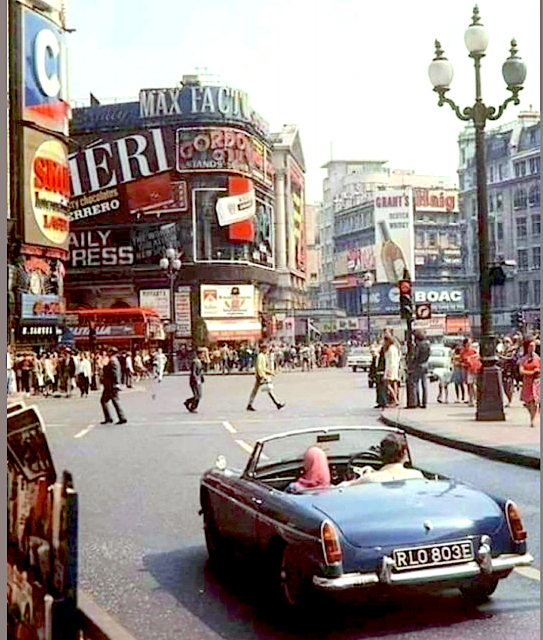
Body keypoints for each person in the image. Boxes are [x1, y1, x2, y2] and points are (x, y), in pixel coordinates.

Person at [344, 433, 424, 485]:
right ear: (405, 455)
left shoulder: (370, 479)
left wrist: (357, 478)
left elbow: (341, 488)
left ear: (381, 454)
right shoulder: (416, 476)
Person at [246, 343, 285, 411]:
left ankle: (250, 404)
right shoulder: (260, 356)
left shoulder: (263, 356)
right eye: (266, 348)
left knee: (259, 391)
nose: (267, 350)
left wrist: (270, 372)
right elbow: (260, 367)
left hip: (262, 375)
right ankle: (277, 403)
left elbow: (263, 367)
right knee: (267, 390)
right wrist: (263, 375)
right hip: (261, 376)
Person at [100, 347, 127, 425]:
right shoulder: (115, 360)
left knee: (108, 401)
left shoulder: (112, 361)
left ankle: (117, 418)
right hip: (111, 385)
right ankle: (118, 417)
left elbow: (114, 373)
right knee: (111, 400)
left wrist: (116, 383)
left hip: (111, 385)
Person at [518, 337, 540, 428]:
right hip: (527, 382)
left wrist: (538, 371)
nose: (532, 348)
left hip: (536, 382)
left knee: (534, 402)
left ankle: (532, 420)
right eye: (530, 346)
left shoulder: (538, 358)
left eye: (533, 346)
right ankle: (532, 414)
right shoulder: (523, 359)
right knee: (528, 402)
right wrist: (531, 372)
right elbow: (521, 371)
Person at [413, 330, 430, 408]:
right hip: (425, 364)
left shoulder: (418, 345)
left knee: (416, 383)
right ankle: (425, 402)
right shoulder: (427, 344)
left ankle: (417, 402)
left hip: (418, 365)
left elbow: (416, 355)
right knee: (424, 384)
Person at [184, 349, 205, 413]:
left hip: (198, 379)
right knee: (197, 395)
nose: (203, 356)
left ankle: (189, 403)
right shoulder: (195, 362)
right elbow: (193, 372)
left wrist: (202, 377)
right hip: (194, 380)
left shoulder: (199, 361)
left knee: (199, 395)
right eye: (202, 355)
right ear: (198, 355)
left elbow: (200, 371)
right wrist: (196, 379)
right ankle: (192, 406)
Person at [383, 334, 400, 407]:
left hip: (391, 368)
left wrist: (386, 372)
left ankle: (395, 399)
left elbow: (390, 361)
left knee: (387, 384)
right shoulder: (395, 348)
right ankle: (395, 399)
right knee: (394, 383)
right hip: (395, 367)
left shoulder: (390, 349)